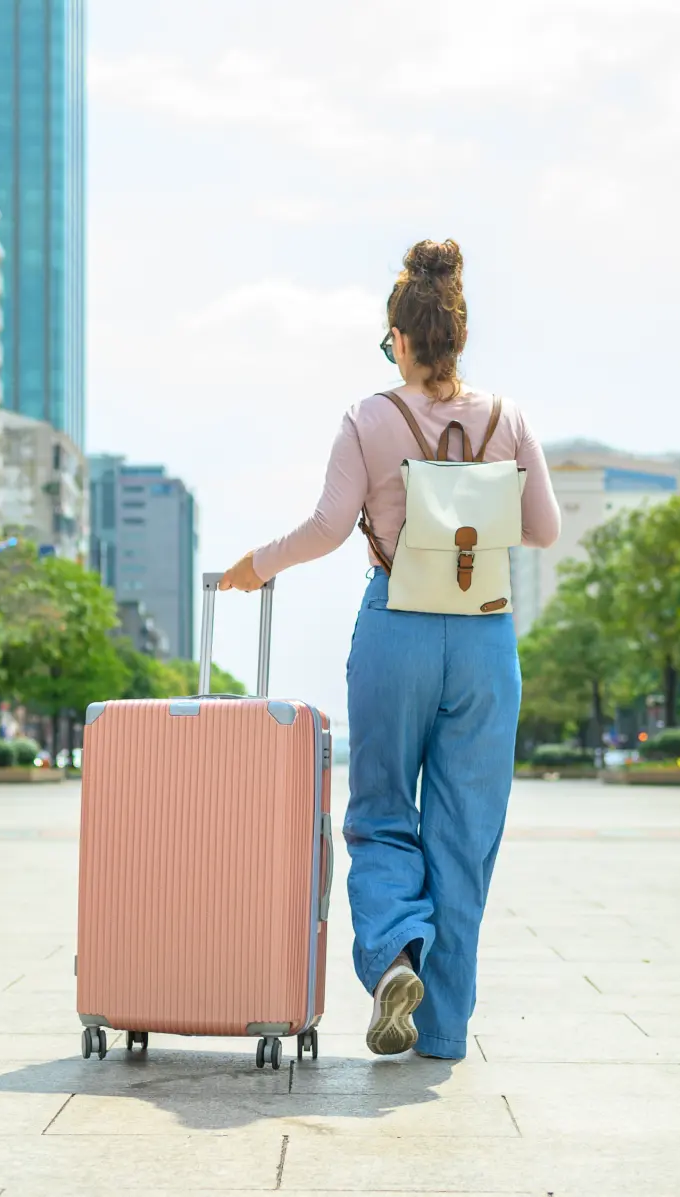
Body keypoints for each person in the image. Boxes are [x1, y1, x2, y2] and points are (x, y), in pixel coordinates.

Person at [219, 239, 560, 1061]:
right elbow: (544, 528)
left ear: (400, 339)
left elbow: (329, 529)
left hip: (395, 627)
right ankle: (442, 1032)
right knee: (464, 837)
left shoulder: (370, 418)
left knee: (378, 816)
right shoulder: (508, 417)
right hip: (483, 636)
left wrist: (253, 566)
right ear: (459, 335)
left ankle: (396, 956)